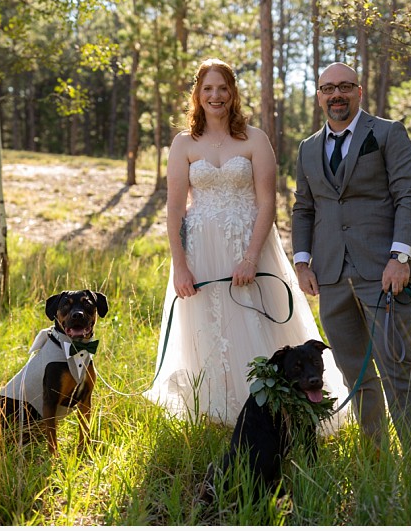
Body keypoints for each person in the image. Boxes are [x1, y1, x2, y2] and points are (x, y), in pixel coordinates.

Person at [144, 58, 349, 430]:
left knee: (257, 323)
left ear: (233, 92)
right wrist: (180, 266)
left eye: (222, 88)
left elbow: (268, 202)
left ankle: (275, 412)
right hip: (201, 253)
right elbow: (174, 208)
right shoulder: (183, 143)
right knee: (209, 328)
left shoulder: (255, 139)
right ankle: (215, 413)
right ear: (197, 94)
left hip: (249, 247)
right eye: (208, 89)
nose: (215, 96)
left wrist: (251, 258)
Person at [292, 62, 411, 459]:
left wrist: (400, 256)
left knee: (398, 367)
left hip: (384, 274)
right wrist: (303, 262)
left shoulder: (387, 133)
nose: (336, 95)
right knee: (356, 373)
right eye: (328, 88)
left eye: (345, 87)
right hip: (331, 277)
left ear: (359, 91)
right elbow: (304, 207)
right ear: (318, 95)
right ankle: (376, 460)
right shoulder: (307, 148)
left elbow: (410, 196)